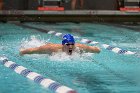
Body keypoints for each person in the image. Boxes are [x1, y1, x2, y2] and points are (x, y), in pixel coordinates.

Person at [20, 34, 100, 55]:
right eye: (68, 44)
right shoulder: (52, 49)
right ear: (63, 45)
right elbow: (34, 50)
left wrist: (97, 50)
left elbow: (95, 49)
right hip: (50, 46)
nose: (70, 46)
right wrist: (23, 52)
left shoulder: (80, 47)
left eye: (72, 44)